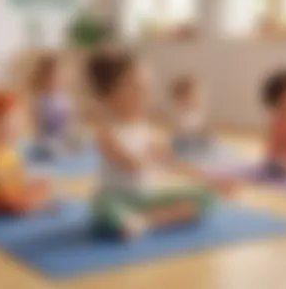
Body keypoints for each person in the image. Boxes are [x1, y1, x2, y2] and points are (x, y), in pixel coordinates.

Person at [87, 50, 233, 240]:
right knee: (104, 209)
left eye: (147, 89)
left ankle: (146, 220)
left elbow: (172, 161)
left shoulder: (146, 129)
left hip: (145, 199)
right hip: (116, 198)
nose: (145, 96)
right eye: (136, 89)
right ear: (109, 94)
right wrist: (150, 158)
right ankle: (129, 220)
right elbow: (130, 164)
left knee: (207, 199)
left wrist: (211, 180)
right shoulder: (107, 132)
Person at [170, 76, 209, 152]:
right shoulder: (182, 115)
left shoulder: (194, 113)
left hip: (194, 141)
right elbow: (185, 132)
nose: (198, 100)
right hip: (185, 144)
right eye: (194, 96)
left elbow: (200, 128)